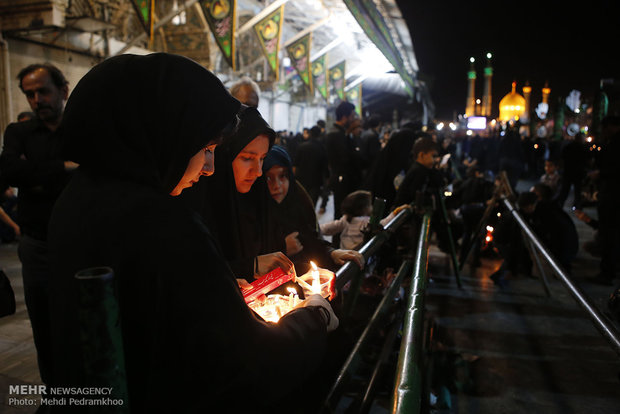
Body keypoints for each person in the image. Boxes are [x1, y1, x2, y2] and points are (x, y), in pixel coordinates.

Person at [47, 53, 338, 413]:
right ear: (166, 135)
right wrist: (314, 318)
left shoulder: (74, 201)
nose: (210, 168)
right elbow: (242, 367)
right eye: (206, 149)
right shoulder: (166, 225)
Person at [0, 63, 77, 387]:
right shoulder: (18, 133)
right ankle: (55, 398)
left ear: (62, 91)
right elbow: (9, 174)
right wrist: (64, 167)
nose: (36, 100)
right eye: (30, 94)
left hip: (78, 241)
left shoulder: (80, 130)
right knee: (44, 325)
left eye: (43, 91)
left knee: (79, 322)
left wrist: (35, 174)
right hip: (38, 243)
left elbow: (91, 171)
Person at [200, 106, 293, 281]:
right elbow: (197, 272)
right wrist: (251, 267)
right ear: (224, 155)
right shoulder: (202, 208)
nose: (258, 172)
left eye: (262, 158)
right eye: (247, 158)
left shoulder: (260, 200)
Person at [263, 145, 364, 274]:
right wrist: (281, 249)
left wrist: (331, 252)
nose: (277, 186)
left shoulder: (297, 200)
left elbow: (310, 238)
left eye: (283, 176)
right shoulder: (248, 213)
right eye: (268, 178)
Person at [588, 116, 620, 285]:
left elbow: (612, 167)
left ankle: (608, 271)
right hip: (611, 194)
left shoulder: (615, 144)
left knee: (610, 233)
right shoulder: (611, 142)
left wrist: (601, 174)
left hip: (613, 196)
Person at [320, 190, 408, 250]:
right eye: (370, 205)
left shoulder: (346, 220)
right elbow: (384, 223)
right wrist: (395, 213)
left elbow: (327, 228)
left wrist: (316, 229)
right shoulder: (367, 222)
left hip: (344, 254)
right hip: (360, 255)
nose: (372, 207)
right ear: (363, 208)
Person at [325, 101, 362, 220]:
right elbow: (345, 159)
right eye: (352, 116)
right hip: (342, 181)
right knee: (342, 215)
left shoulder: (341, 133)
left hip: (342, 179)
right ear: (345, 117)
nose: (353, 119)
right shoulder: (337, 134)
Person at [293, 125, 328, 207]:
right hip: (316, 180)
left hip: (302, 179)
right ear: (319, 134)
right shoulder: (322, 148)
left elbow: (295, 165)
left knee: (302, 202)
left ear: (310, 134)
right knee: (312, 203)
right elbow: (325, 167)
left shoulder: (302, 146)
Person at [557, 132, 589, 209]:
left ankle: (559, 205)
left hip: (568, 171)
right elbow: (587, 160)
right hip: (578, 172)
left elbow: (562, 158)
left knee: (565, 190)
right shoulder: (583, 148)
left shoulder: (568, 147)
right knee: (577, 191)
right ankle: (577, 206)